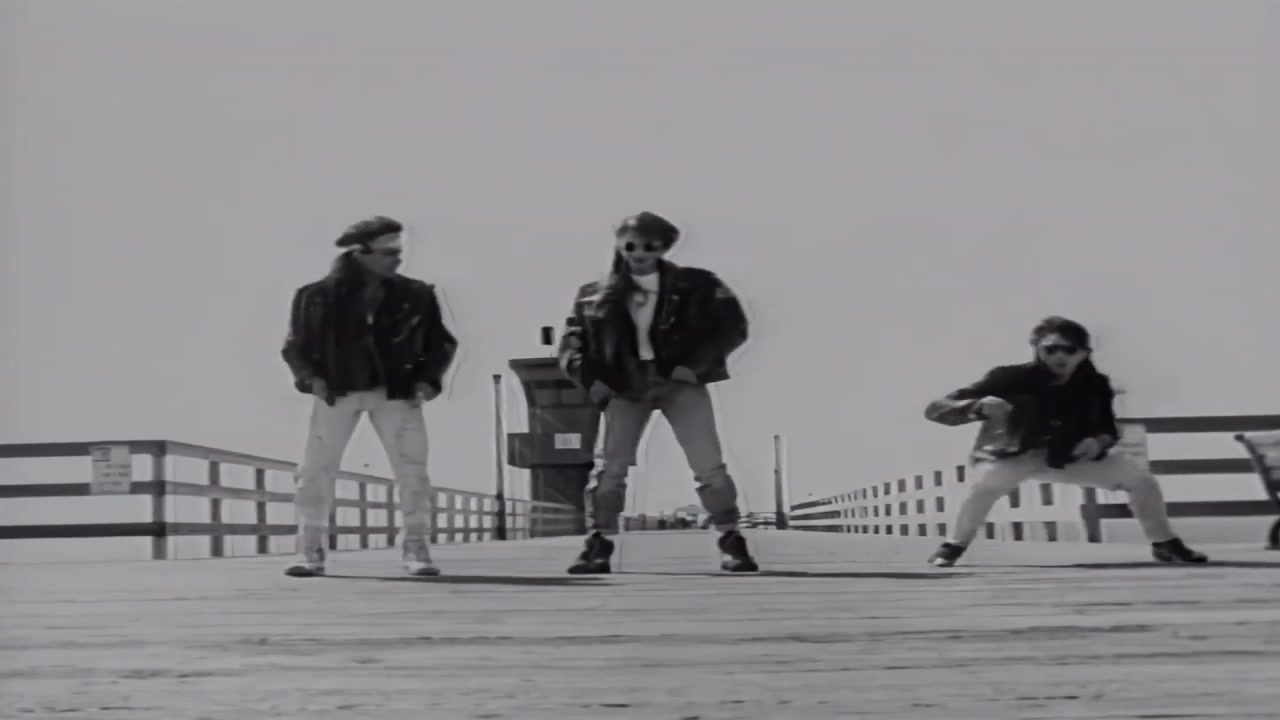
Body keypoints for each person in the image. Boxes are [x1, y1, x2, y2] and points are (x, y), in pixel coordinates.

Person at [557, 211, 758, 574]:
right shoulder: (593, 295)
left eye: (650, 245)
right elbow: (573, 343)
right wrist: (591, 380)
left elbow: (733, 326)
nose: (639, 252)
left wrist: (694, 367)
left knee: (708, 464)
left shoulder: (697, 285)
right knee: (610, 468)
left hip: (680, 383)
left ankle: (731, 539)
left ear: (665, 247)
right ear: (619, 244)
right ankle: (599, 543)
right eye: (631, 244)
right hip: (624, 385)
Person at [922, 316, 1208, 568]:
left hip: (1065, 457)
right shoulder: (1008, 377)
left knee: (1140, 479)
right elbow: (936, 409)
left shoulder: (1096, 385)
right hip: (1010, 455)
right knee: (985, 487)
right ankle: (953, 545)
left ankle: (1163, 542)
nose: (1060, 356)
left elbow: (1108, 428)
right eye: (1050, 349)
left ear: (1083, 353)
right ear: (1037, 349)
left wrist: (1097, 443)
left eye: (1070, 349)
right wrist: (975, 407)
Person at [280, 215, 458, 577]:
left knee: (412, 473)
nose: (398, 258)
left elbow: (441, 343)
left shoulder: (418, 294)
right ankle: (310, 550)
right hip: (336, 391)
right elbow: (295, 346)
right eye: (388, 251)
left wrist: (427, 381)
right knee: (315, 472)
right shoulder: (314, 296)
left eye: (399, 250)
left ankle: (417, 548)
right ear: (359, 252)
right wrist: (310, 379)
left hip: (397, 393)